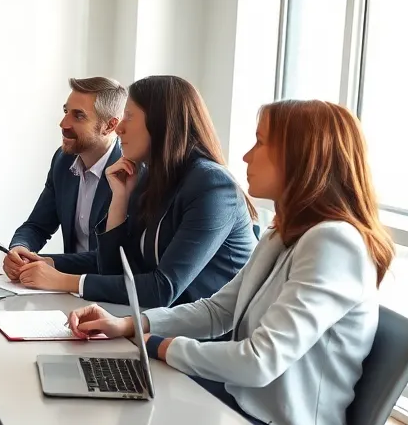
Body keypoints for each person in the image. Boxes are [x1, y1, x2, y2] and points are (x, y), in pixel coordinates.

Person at [67, 99, 394, 425]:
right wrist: (131, 325)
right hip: (241, 407)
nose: (246, 157)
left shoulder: (334, 243)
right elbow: (217, 311)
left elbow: (259, 361)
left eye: (261, 142)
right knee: (109, 406)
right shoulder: (282, 234)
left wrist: (159, 346)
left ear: (302, 155)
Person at [17, 75, 256, 307]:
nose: (119, 128)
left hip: (208, 337)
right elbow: (114, 268)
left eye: (129, 116)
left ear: (161, 124)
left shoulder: (212, 185)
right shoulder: (150, 175)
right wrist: (119, 200)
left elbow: (163, 289)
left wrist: (64, 281)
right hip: (156, 322)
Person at [3, 77, 124, 277]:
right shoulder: (63, 160)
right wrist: (19, 249)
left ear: (110, 126)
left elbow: (110, 258)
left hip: (109, 294)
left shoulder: (129, 173)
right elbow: (37, 225)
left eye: (78, 116)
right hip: (65, 290)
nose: (63, 123)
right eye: (66, 111)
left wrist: (48, 263)